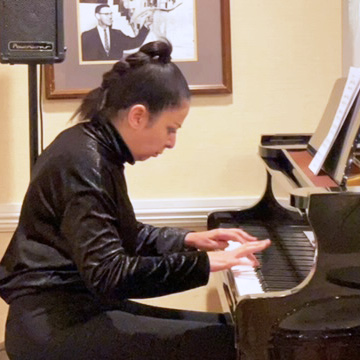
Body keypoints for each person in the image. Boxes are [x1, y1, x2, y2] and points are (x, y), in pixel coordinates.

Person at [0, 40, 271, 359]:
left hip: (74, 307)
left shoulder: (90, 148)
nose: (172, 143)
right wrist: (207, 264)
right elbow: (110, 274)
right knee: (232, 342)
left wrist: (190, 239)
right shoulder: (85, 162)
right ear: (138, 116)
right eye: (171, 129)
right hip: (53, 326)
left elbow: (121, 234)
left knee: (235, 331)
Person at [81, 4, 151, 61]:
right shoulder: (86, 36)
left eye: (111, 14)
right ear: (97, 16)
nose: (110, 17)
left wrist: (145, 26)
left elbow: (135, 42)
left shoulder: (118, 34)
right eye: (106, 14)